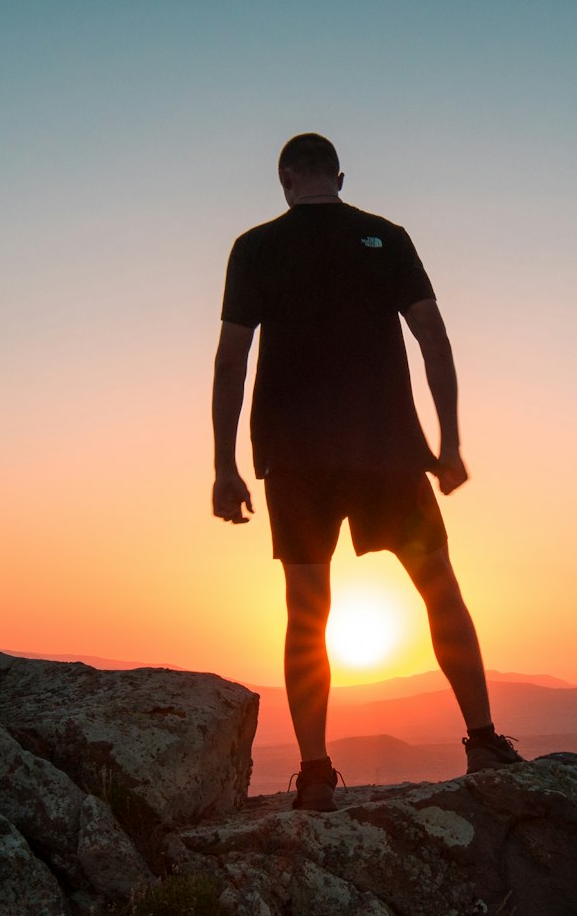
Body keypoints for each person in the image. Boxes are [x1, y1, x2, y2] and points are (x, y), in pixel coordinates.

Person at [212, 133, 522, 811]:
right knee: (440, 591)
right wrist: (450, 443)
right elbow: (433, 335)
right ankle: (485, 741)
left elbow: (230, 360)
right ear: (340, 178)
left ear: (285, 180)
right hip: (386, 450)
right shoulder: (386, 237)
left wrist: (225, 466)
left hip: (295, 459)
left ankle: (316, 774)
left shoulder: (255, 247)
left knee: (306, 615)